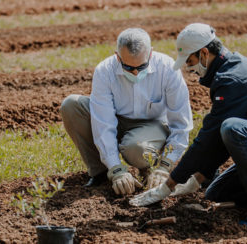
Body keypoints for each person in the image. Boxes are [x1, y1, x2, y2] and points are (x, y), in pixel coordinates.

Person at [130, 23, 247, 233]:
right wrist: (197, 179)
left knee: (232, 128)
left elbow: (211, 137)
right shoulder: (228, 70)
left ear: (204, 53)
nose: (190, 70)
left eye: (191, 61)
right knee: (216, 193)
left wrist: (170, 183)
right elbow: (219, 141)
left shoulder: (232, 79)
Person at [60, 28, 193, 195]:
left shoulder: (167, 68)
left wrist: (165, 166)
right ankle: (101, 173)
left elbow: (181, 123)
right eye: (128, 67)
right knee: (71, 105)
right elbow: (103, 123)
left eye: (141, 66)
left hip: (152, 125)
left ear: (150, 54)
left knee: (136, 149)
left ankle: (148, 170)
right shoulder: (105, 71)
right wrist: (116, 169)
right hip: (117, 118)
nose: (136, 73)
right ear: (118, 57)